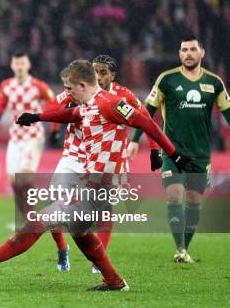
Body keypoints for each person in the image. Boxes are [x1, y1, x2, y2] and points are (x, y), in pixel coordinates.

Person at [0, 59, 196, 291]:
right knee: (80, 231)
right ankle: (114, 281)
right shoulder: (87, 105)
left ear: (83, 85)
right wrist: (37, 117)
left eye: (70, 88)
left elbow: (146, 123)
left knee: (39, 221)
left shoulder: (109, 103)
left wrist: (172, 154)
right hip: (90, 182)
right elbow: (71, 115)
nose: (67, 93)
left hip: (101, 187)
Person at [128, 35, 230, 263]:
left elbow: (229, 111)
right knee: (174, 194)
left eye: (192, 49)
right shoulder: (167, 80)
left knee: (194, 200)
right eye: (184, 50)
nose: (188, 53)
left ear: (202, 53)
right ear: (179, 54)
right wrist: (135, 139)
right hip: (171, 151)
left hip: (200, 154)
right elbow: (148, 111)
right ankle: (179, 249)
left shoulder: (214, 82)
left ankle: (184, 249)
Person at [44, 55, 160, 274]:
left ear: (112, 75)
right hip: (75, 154)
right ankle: (62, 247)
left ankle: (99, 260)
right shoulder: (80, 88)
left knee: (104, 210)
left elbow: (145, 116)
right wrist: (53, 127)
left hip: (105, 159)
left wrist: (154, 148)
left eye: (103, 72)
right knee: (54, 200)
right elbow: (53, 106)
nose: (98, 76)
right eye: (95, 71)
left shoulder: (122, 95)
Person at [0, 51, 69, 272]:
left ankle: (40, 223)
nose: (19, 66)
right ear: (12, 64)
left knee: (24, 177)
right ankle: (29, 221)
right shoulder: (6, 84)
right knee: (14, 182)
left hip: (33, 137)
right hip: (15, 139)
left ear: (28, 64)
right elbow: (3, 103)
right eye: (16, 63)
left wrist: (54, 129)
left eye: (22, 63)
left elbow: (55, 104)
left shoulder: (38, 85)